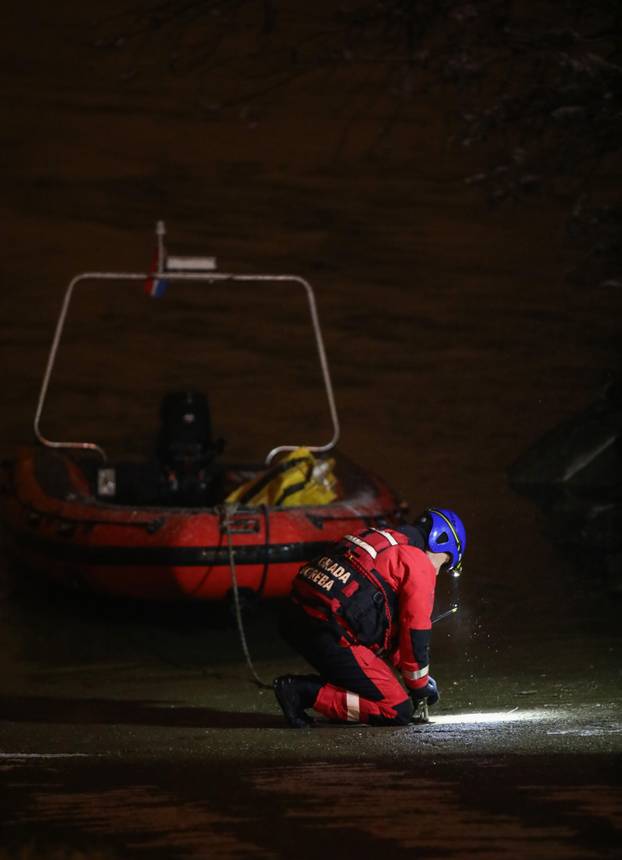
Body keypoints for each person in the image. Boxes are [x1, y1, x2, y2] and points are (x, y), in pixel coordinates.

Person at [273, 508, 466, 727]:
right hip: (331, 633)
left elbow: (383, 623)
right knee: (396, 710)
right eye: (445, 562)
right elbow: (415, 630)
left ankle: (310, 690)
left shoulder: (370, 537)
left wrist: (406, 669)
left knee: (369, 679)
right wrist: (419, 686)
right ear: (440, 541)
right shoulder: (418, 563)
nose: (439, 572)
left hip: (295, 618)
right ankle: (303, 692)